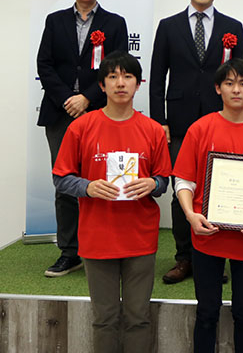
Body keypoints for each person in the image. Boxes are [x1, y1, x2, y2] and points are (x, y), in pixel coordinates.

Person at [52, 52, 172, 353]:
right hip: (98, 237)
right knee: (104, 319)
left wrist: (153, 184)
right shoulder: (81, 127)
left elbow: (163, 180)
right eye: (113, 77)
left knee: (138, 318)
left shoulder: (154, 130)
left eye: (128, 76)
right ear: (102, 85)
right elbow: (61, 178)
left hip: (140, 238)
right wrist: (88, 186)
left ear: (138, 83)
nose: (121, 83)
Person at [172, 58, 243, 352]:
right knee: (207, 313)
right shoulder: (200, 128)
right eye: (229, 83)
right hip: (207, 235)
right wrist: (190, 215)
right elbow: (183, 182)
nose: (237, 90)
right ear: (218, 88)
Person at [150, 0, 243, 284]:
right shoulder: (168, 26)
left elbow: (242, 78)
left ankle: (214, 257)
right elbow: (156, 77)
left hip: (222, 121)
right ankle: (184, 258)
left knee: (219, 187)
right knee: (183, 190)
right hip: (179, 122)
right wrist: (158, 121)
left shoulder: (233, 27)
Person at [37, 0, 128, 277]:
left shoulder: (115, 24)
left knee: (102, 181)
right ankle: (69, 251)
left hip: (100, 113)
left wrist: (87, 97)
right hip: (60, 113)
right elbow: (44, 66)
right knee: (64, 182)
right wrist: (67, 99)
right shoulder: (54, 20)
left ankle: (102, 246)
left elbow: (118, 68)